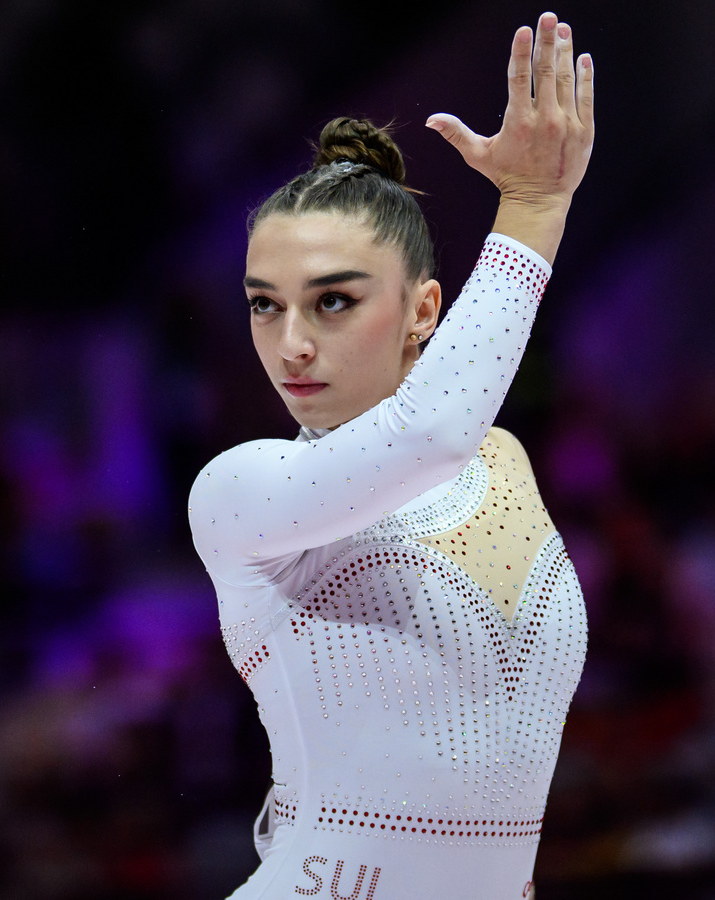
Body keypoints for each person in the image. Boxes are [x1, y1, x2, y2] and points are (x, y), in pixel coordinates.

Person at [187, 12, 594, 900]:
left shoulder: (504, 463)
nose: (291, 343)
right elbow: (427, 434)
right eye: (265, 305)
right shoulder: (242, 492)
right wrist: (532, 209)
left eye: (332, 303)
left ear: (424, 311)